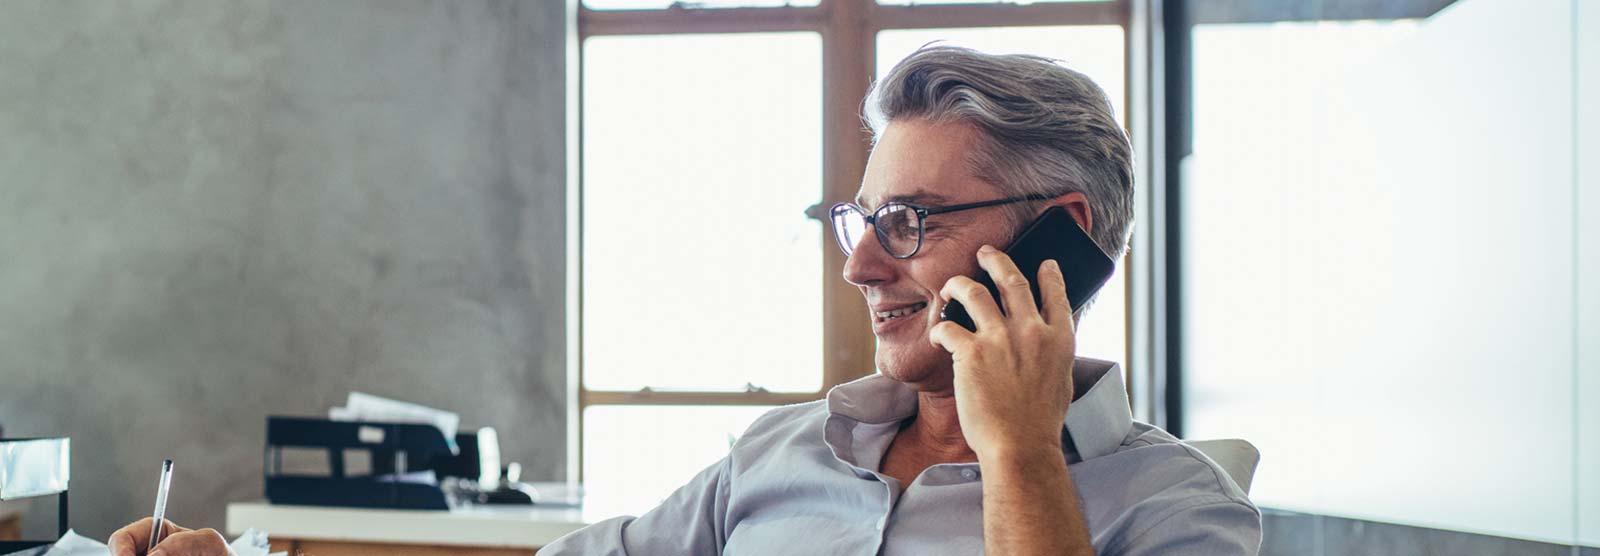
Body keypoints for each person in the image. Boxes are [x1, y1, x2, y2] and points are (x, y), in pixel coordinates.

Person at [113, 45, 1260, 556]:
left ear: (1059, 241)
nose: (861, 268)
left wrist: (1018, 456)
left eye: (908, 225)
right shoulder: (786, 454)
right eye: (861, 223)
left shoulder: (1175, 506)